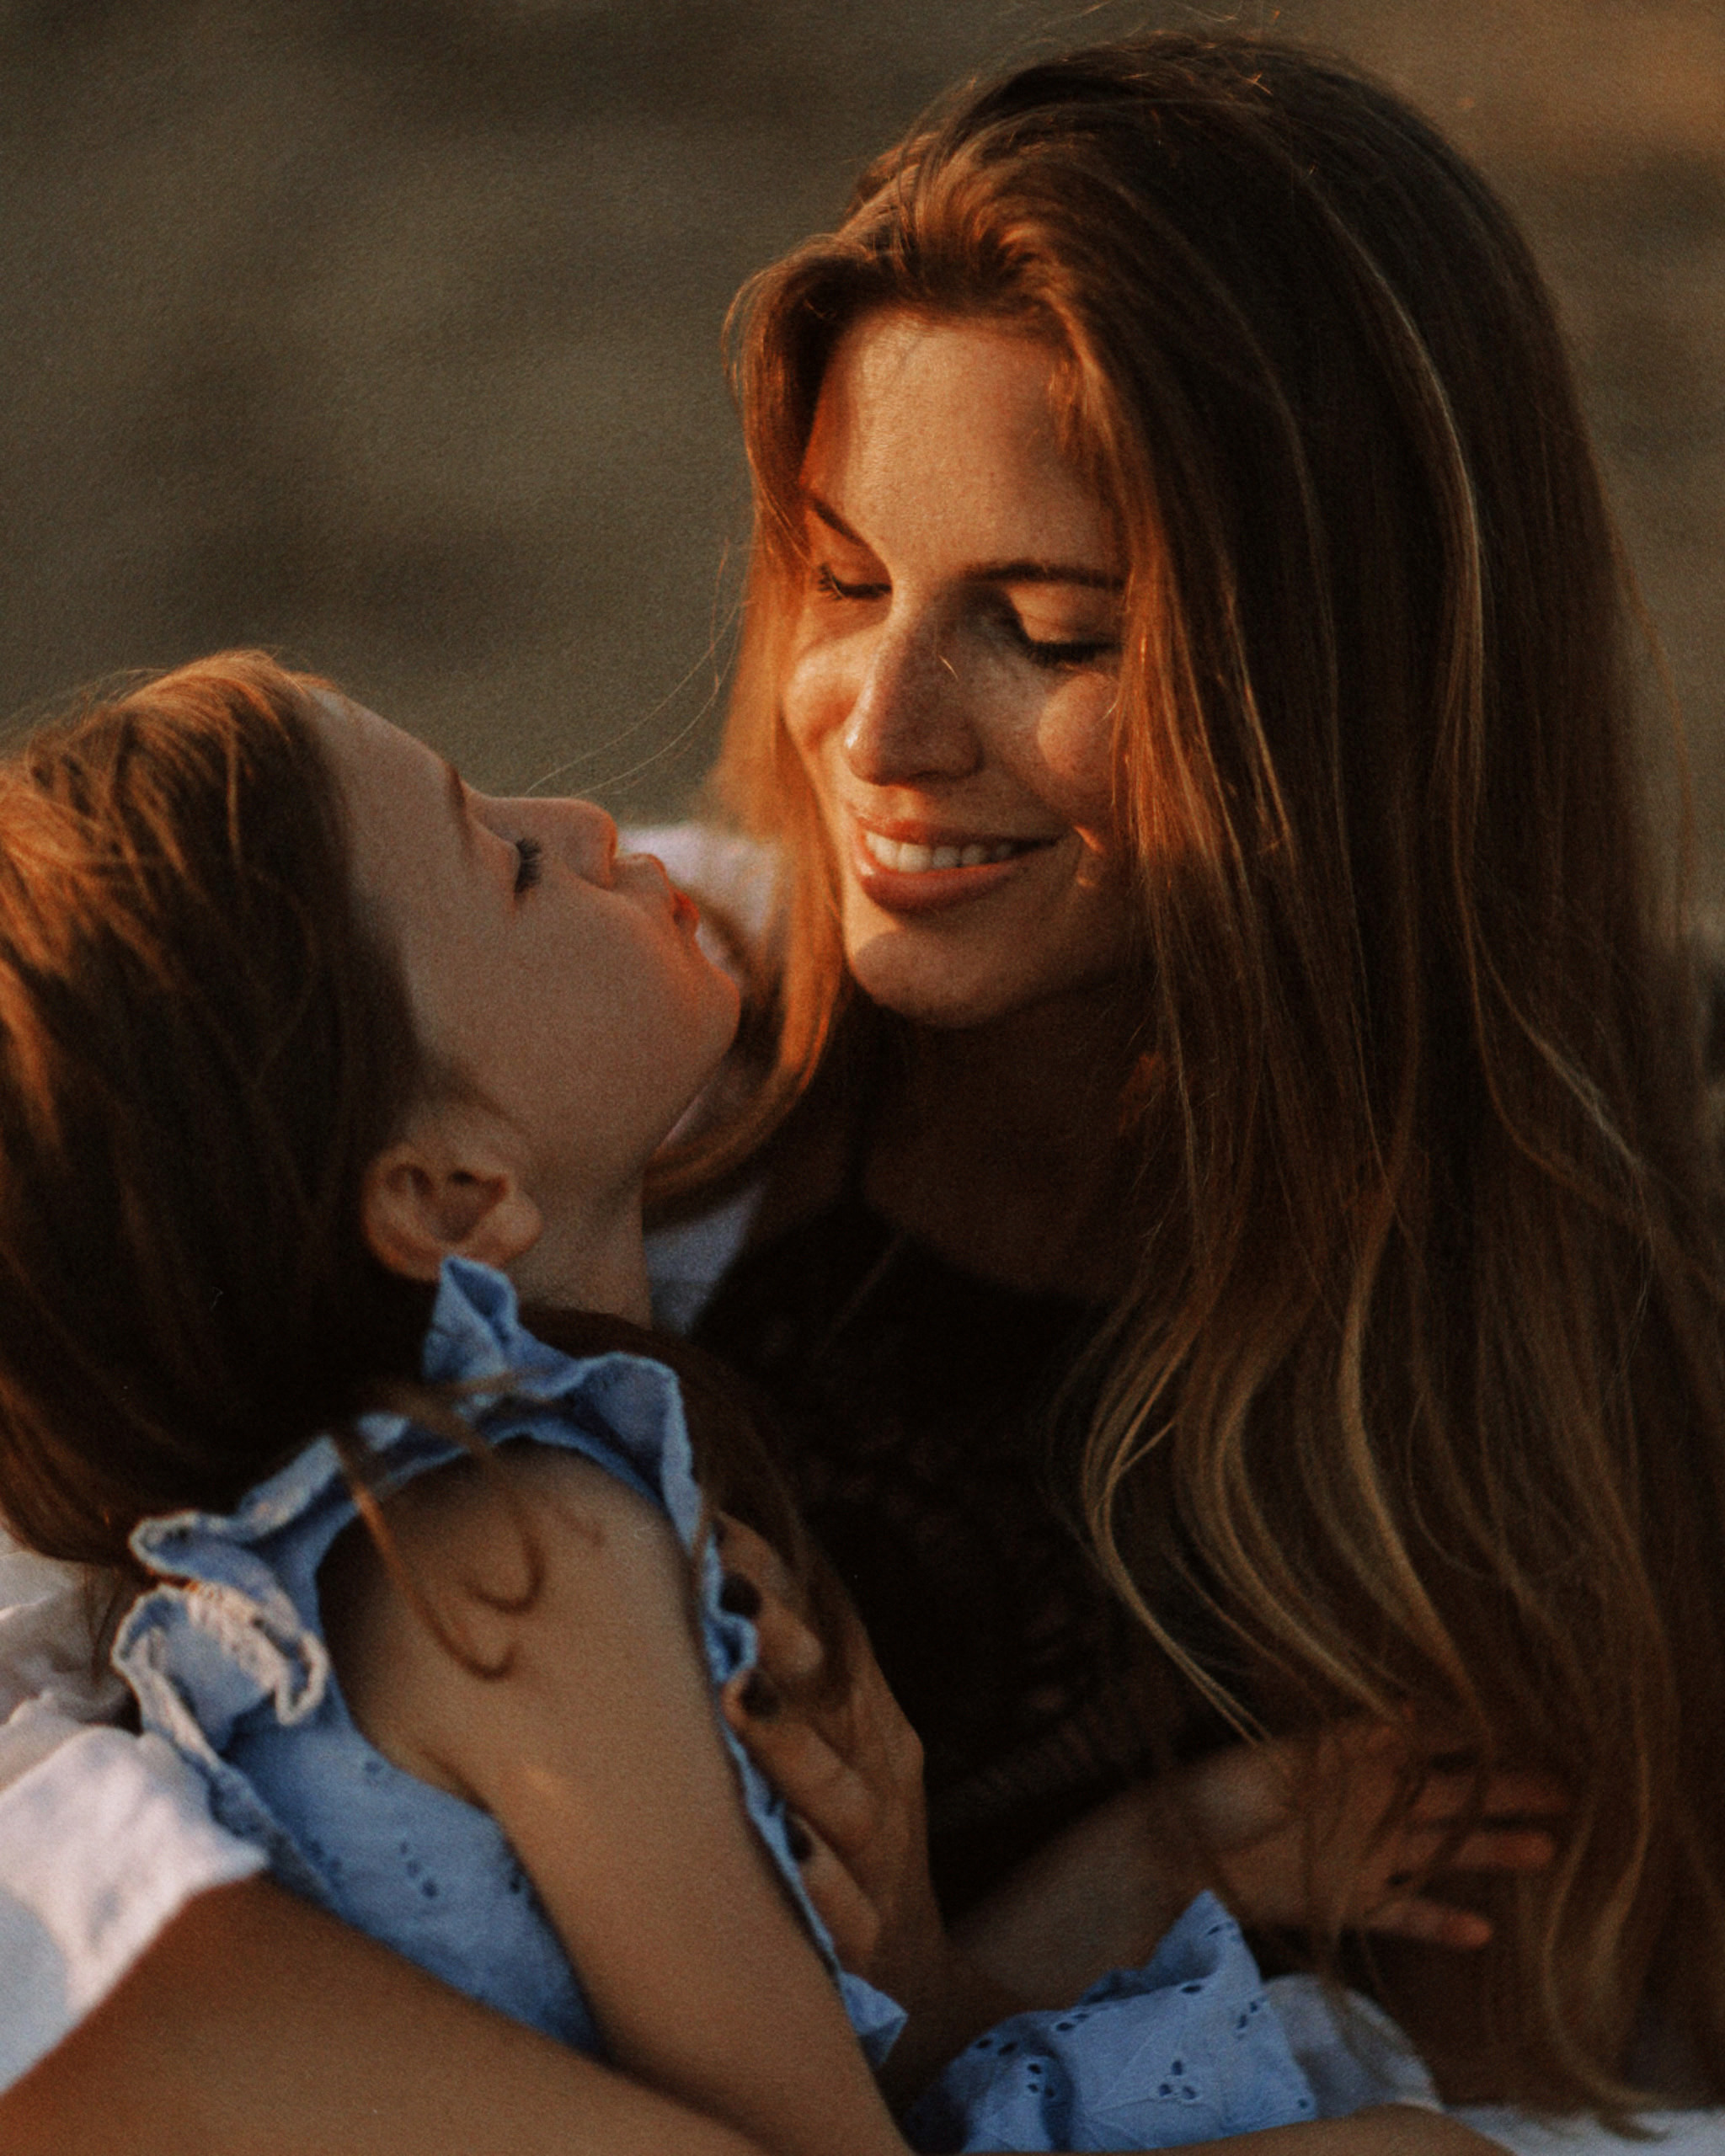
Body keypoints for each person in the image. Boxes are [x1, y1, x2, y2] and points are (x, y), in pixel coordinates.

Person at [3, 29, 1723, 2153]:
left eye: (1050, 630)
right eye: (841, 580)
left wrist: (1036, 1911)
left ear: (1343, 685)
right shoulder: (576, 1081)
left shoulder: (1580, 1280)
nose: (878, 731)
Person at [0, 651, 1489, 2154]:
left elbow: (760, 2053)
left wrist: (1165, 1862)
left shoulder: (398, 1553)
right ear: (454, 1195)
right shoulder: (518, 1564)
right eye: (512, 866)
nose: (583, 821)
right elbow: (816, 2137)